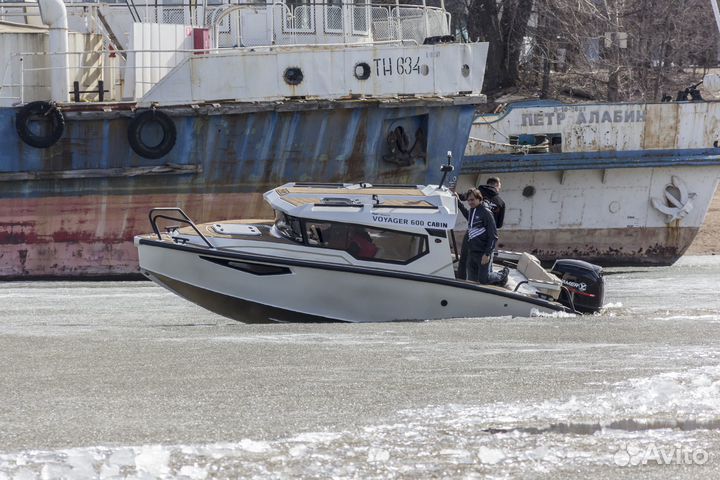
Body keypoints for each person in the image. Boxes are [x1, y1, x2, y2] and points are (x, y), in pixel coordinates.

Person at [456, 189, 508, 285]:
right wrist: (458, 203)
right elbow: (469, 216)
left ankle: (502, 275)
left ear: (479, 199)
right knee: (471, 280)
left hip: (483, 252)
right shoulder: (473, 210)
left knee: (484, 279)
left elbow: (493, 235)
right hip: (472, 252)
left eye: (472, 200)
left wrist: (487, 254)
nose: (470, 202)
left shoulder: (486, 212)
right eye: (469, 200)